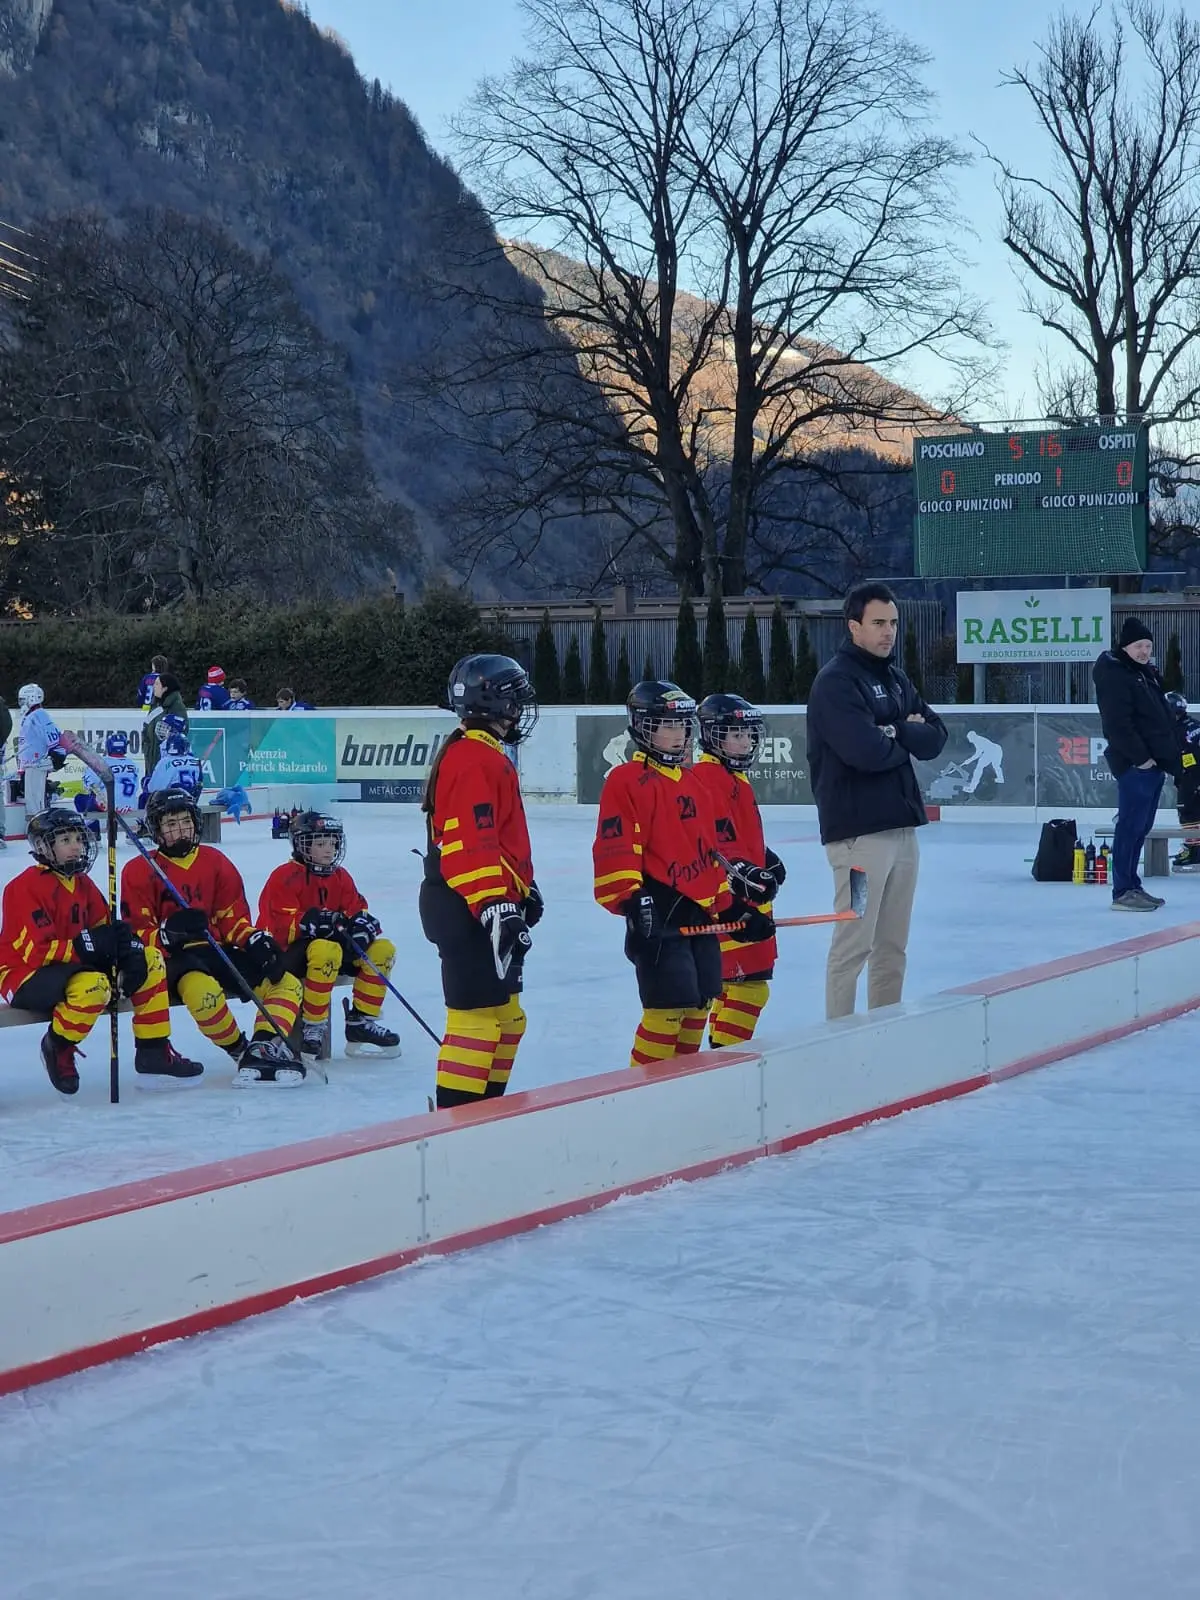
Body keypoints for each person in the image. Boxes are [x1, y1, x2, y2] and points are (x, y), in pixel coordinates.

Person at [592, 681, 766, 1069]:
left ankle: (679, 1092)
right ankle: (639, 1095)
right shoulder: (626, 780)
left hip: (698, 917)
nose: (679, 734)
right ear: (643, 728)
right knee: (666, 1012)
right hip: (659, 917)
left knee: (697, 1009)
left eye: (683, 725)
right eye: (667, 725)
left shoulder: (694, 783)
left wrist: (733, 910)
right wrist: (632, 899)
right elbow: (614, 846)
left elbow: (709, 856)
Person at [806, 582, 948, 1019]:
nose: (889, 632)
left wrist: (893, 730)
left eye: (893, 623)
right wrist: (902, 730)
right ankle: (840, 1039)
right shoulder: (836, 683)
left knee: (892, 947)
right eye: (878, 623)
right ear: (854, 627)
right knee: (854, 944)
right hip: (859, 839)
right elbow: (864, 752)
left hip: (903, 832)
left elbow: (937, 737)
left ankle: (884, 1037)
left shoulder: (896, 677)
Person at [0, 807, 203, 1093]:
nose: (75, 847)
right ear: (44, 846)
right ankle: (57, 1045)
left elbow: (102, 930)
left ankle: (153, 1050)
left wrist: (125, 950)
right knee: (95, 986)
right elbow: (37, 953)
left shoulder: (83, 884)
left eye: (78, 839)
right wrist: (87, 947)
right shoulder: (22, 888)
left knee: (152, 959)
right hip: (24, 974)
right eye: (65, 840)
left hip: (73, 966)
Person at [120, 787, 306, 1084]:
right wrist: (169, 933)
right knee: (203, 993)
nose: (179, 830)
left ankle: (263, 1047)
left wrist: (252, 939)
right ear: (156, 829)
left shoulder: (215, 862)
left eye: (184, 821)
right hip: (176, 959)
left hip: (217, 949)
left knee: (286, 982)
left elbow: (231, 918)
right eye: (170, 824)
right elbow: (136, 936)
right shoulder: (138, 870)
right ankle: (240, 1051)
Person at [420, 653, 539, 1108]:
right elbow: (469, 841)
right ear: (494, 703)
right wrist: (495, 903)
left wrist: (521, 891)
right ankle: (456, 1125)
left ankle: (484, 1117)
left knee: (507, 1019)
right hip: (464, 904)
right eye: (516, 698)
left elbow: (495, 841)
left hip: (476, 901)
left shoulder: (482, 753)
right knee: (476, 1021)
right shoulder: (473, 758)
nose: (521, 708)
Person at [258, 810, 400, 1059]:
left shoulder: (340, 877)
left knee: (383, 949)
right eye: (321, 843)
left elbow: (358, 909)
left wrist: (362, 927)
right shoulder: (284, 876)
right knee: (327, 949)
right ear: (302, 844)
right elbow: (278, 925)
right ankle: (314, 1026)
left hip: (328, 952)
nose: (329, 850)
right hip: (289, 955)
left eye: (333, 843)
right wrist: (311, 923)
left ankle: (361, 1022)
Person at [691, 693, 785, 1047]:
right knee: (746, 989)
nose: (746, 742)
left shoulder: (730, 775)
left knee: (735, 989)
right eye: (736, 735)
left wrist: (763, 856)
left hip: (744, 897)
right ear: (712, 735)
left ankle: (719, 1061)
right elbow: (715, 839)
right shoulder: (708, 776)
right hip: (729, 901)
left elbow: (735, 830)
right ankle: (725, 1062)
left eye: (749, 735)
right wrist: (744, 869)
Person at [1093, 617, 1180, 911]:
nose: (1144, 651)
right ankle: (1122, 891)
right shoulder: (1116, 675)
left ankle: (1132, 885)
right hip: (1136, 766)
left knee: (1141, 827)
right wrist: (1142, 760)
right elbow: (1118, 725)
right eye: (1139, 645)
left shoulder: (1142, 673)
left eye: (1148, 645)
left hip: (1153, 765)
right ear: (1125, 646)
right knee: (1130, 827)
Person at [17, 684, 67, 819]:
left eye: (23, 699)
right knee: (31, 796)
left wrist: (56, 753)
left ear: (31, 698)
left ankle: (39, 821)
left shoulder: (39, 714)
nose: (21, 703)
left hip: (37, 762)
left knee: (34, 798)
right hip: (30, 763)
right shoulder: (32, 715)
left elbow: (51, 734)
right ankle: (36, 820)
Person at [1165, 692, 1200, 872]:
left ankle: (1194, 852)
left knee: (1187, 812)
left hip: (1191, 776)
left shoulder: (1176, 730)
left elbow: (1180, 755)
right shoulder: (1194, 724)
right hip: (1192, 774)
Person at [78, 732, 142, 815]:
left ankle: (92, 826)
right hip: (129, 807)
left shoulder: (101, 762)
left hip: (108, 807)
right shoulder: (133, 764)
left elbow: (89, 784)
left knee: (79, 799)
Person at [143, 672, 189, 776]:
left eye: (157, 684)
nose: (154, 686)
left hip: (167, 760)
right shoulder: (155, 705)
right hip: (151, 758)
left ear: (165, 688)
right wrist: (146, 747)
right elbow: (146, 727)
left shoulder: (176, 706)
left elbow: (183, 730)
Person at [144, 728, 203, 800]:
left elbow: (154, 789)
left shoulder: (165, 761)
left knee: (144, 795)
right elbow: (199, 786)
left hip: (171, 804)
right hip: (191, 803)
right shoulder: (196, 761)